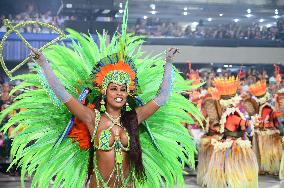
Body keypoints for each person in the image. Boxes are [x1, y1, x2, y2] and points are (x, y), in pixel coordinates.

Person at [0, 4, 203, 188]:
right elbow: (62, 93)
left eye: (123, 89)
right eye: (114, 89)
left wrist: (168, 63)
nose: (119, 93)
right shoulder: (92, 118)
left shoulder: (133, 118)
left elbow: (163, 97)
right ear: (104, 92)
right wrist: (44, 64)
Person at [202, 76, 258, 188]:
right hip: (233, 146)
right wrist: (252, 122)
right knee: (235, 171)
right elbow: (243, 123)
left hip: (227, 144)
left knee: (229, 171)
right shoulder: (232, 115)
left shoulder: (227, 114)